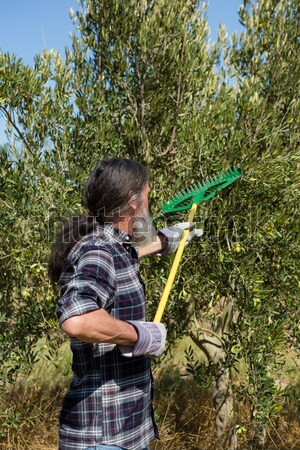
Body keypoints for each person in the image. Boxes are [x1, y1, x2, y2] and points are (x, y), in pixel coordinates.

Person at [48, 157, 199, 450]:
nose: (149, 200)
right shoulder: (98, 251)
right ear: (133, 203)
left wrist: (166, 241)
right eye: (147, 194)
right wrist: (140, 335)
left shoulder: (112, 246)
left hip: (122, 430)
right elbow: (77, 319)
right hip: (103, 435)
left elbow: (122, 260)